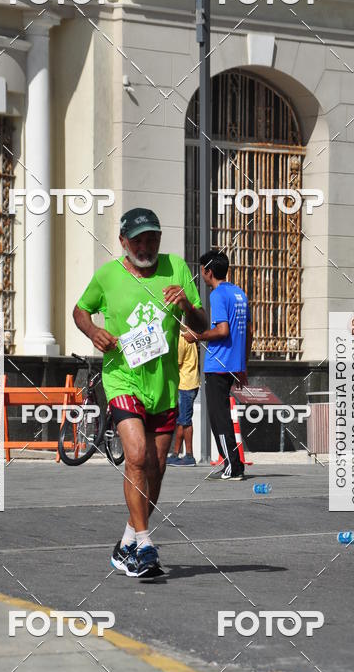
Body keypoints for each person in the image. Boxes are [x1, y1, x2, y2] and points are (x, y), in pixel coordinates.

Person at [73, 208, 206, 578]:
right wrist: (93, 332)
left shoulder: (177, 268)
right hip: (122, 379)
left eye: (153, 238)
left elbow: (202, 324)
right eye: (139, 240)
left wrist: (187, 306)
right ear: (123, 242)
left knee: (157, 467)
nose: (146, 246)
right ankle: (146, 545)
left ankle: (128, 540)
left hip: (163, 383)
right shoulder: (108, 276)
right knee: (136, 456)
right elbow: (80, 311)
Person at [184, 251, 252, 481]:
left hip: (218, 365)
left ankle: (233, 467)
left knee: (219, 418)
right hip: (233, 363)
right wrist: (243, 366)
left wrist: (198, 336)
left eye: (202, 269)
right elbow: (248, 333)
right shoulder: (239, 293)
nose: (200, 274)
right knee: (222, 416)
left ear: (208, 271)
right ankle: (233, 465)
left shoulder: (217, 295)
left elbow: (223, 330)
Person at [166, 330, 200, 466]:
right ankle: (175, 454)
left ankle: (189, 456)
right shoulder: (188, 333)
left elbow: (176, 361)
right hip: (189, 382)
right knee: (181, 420)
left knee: (185, 421)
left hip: (186, 384)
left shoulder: (181, 338)